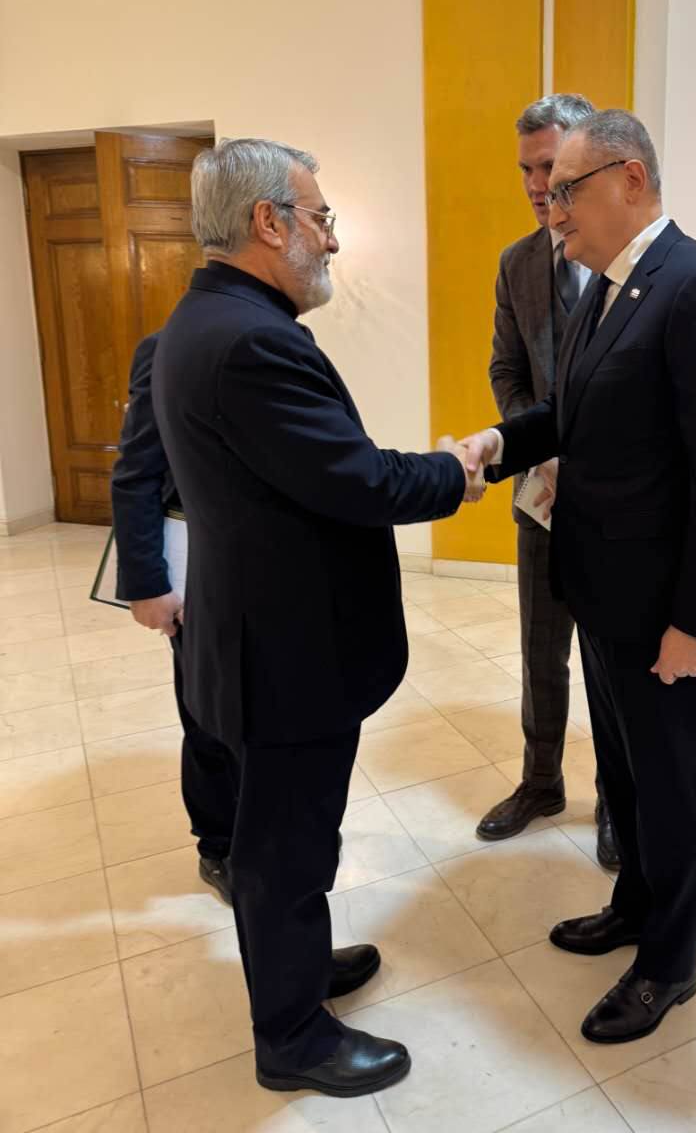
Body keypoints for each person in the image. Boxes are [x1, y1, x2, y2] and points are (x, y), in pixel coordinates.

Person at [152, 138, 477, 1097]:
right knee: (284, 848)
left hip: (256, 634)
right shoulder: (251, 341)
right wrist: (454, 473)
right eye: (320, 217)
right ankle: (292, 1039)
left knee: (284, 836)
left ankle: (296, 968)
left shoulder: (205, 319)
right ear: (268, 222)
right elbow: (357, 479)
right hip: (287, 649)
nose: (330, 239)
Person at [459, 109, 696, 1044]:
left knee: (673, 781)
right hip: (603, 591)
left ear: (631, 180)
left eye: (568, 191)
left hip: (667, 606)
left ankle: (669, 964)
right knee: (628, 775)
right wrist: (499, 442)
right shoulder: (609, 287)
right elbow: (570, 411)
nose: (552, 210)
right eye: (549, 193)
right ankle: (634, 904)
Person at [476, 92, 620, 870]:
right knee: (540, 654)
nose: (537, 185)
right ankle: (540, 782)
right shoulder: (517, 264)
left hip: (615, 510)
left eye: (550, 167)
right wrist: (539, 448)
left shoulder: (627, 259)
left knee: (609, 659)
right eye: (526, 170)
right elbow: (507, 368)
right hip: (540, 499)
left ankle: (615, 800)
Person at [112, 335, 237, 905]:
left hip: (274, 570)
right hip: (195, 562)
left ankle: (276, 828)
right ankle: (219, 845)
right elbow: (136, 470)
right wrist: (147, 582)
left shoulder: (295, 340)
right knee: (208, 710)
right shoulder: (164, 349)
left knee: (271, 711)